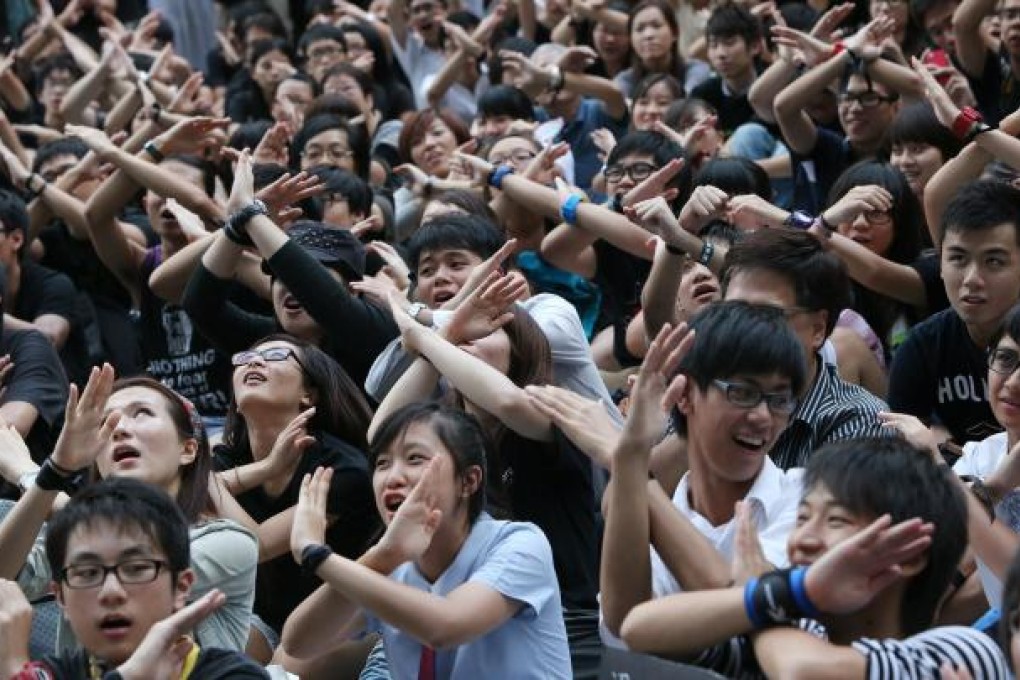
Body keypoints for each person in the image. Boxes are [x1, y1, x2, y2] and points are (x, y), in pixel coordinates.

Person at [618, 437, 1010, 677]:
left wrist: (767, 593)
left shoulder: (958, 651)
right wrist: (785, 592)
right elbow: (639, 629)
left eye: (836, 519)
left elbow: (803, 672)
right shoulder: (794, 633)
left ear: (908, 554)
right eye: (802, 517)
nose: (803, 538)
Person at [279, 402, 572, 678]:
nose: (393, 477)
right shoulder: (389, 565)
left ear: (468, 481)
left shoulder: (519, 543)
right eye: (382, 463)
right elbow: (298, 646)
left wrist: (316, 555)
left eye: (414, 458)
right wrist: (381, 557)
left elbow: (445, 627)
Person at [0, 366, 258, 653]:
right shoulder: (78, 538)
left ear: (188, 450)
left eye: (142, 413)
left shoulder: (230, 543)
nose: (120, 428)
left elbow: (134, 570)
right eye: (107, 421)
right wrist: (55, 472)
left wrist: (32, 475)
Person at [600, 302, 806, 644]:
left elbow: (748, 612)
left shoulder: (807, 498)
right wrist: (631, 455)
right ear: (684, 395)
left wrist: (634, 476)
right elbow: (624, 626)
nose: (762, 416)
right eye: (742, 393)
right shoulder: (654, 511)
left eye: (779, 399)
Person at [0, 477, 268, 679]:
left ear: (181, 587)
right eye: (88, 573)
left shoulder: (234, 675)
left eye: (136, 568)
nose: (111, 591)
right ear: (60, 598)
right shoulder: (53, 673)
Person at [213, 334, 378, 636]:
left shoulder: (340, 467)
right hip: (259, 620)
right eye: (244, 359)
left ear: (309, 395)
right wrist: (267, 468)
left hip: (340, 625)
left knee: (284, 662)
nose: (255, 361)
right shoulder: (227, 459)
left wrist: (203, 479)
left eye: (276, 355)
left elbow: (255, 547)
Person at [888, 180, 1020, 444]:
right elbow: (900, 451)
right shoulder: (921, 347)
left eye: (993, 261)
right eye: (958, 258)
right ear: (939, 264)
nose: (972, 279)